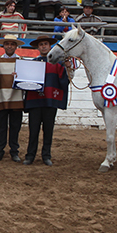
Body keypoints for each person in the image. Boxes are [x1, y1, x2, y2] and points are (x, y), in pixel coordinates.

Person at [23, 36, 70, 166]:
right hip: (35, 101)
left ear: (50, 46)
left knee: (48, 130)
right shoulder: (32, 63)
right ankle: (30, 156)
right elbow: (24, 82)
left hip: (50, 101)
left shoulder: (58, 64)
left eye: (46, 44)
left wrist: (68, 68)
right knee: (33, 131)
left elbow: (65, 81)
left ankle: (46, 156)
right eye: (41, 45)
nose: (43, 46)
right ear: (38, 48)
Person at [0, 35, 25, 162]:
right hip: (0, 98)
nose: (9, 46)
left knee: (15, 127)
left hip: (16, 99)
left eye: (12, 44)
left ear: (16, 46)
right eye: (7, 44)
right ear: (3, 46)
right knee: (0, 127)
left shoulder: (22, 61)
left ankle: (14, 151)